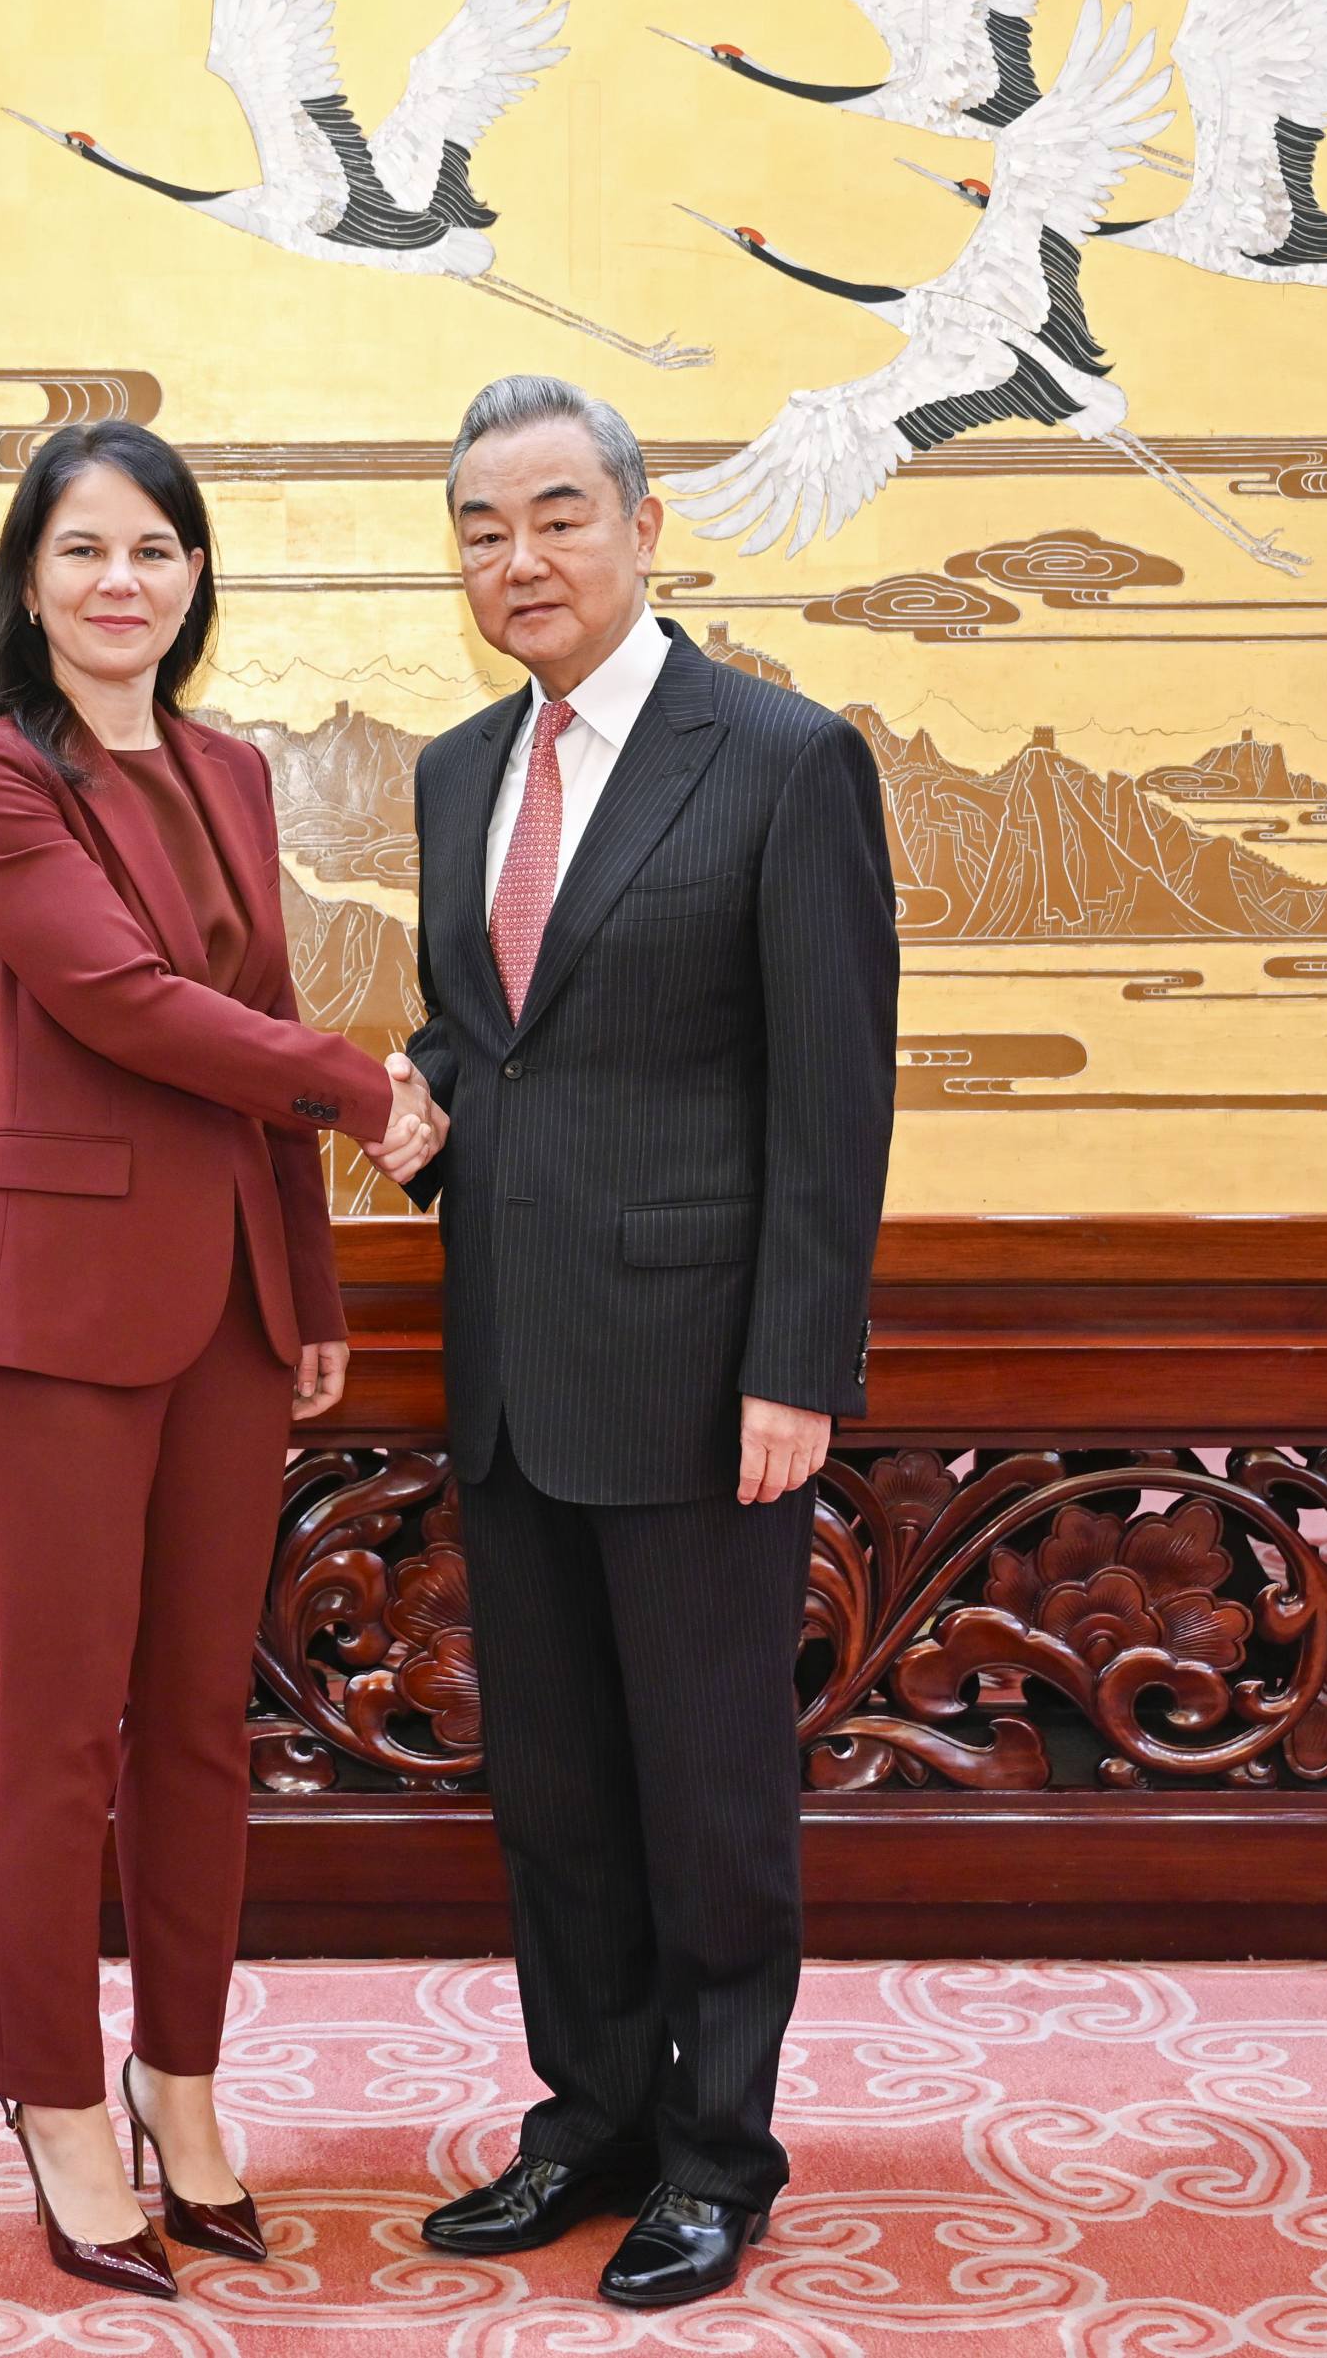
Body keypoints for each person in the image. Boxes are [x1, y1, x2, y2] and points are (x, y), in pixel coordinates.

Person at [0, 418, 447, 2299]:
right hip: (53, 1324)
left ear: (197, 575)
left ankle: (186, 2083)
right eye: (82, 552)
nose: (121, 581)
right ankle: (60, 2104)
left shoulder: (229, 768)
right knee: (60, 1739)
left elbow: (261, 1022)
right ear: (30, 579)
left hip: (229, 1310)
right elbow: (127, 1005)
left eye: (154, 548)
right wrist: (374, 1090)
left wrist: (309, 1289)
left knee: (205, 1732)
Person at [398, 373, 898, 2311]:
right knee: (556, 1792)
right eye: (477, 529)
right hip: (513, 1365)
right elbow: (497, 1035)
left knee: (703, 1793)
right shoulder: (457, 771)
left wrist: (797, 1360)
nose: (514, 559)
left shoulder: (774, 756)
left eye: (550, 515)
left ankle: (714, 2150)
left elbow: (828, 1089)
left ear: (638, 522)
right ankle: (587, 2115)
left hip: (705, 1379)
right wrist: (417, 1091)